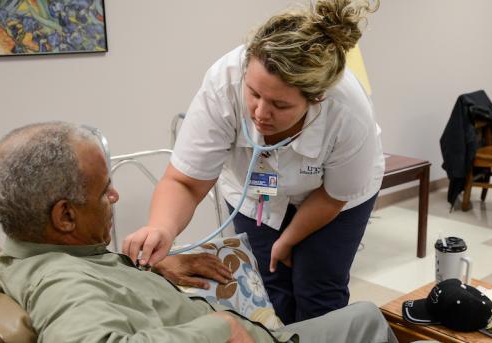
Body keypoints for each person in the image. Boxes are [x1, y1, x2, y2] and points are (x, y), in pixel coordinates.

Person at [0, 122, 397, 342]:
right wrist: (219, 328)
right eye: (103, 190)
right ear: (65, 217)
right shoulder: (61, 283)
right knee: (365, 318)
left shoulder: (41, 253)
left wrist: (147, 272)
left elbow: (103, 290)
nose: (115, 195)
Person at [122, 0, 384, 324]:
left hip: (332, 198)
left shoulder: (347, 111)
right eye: (254, 94)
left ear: (316, 98)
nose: (260, 113)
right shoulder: (224, 82)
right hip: (257, 194)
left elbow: (333, 196)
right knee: (266, 286)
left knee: (317, 290)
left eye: (279, 104)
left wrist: (287, 240)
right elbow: (185, 182)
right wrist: (161, 227)